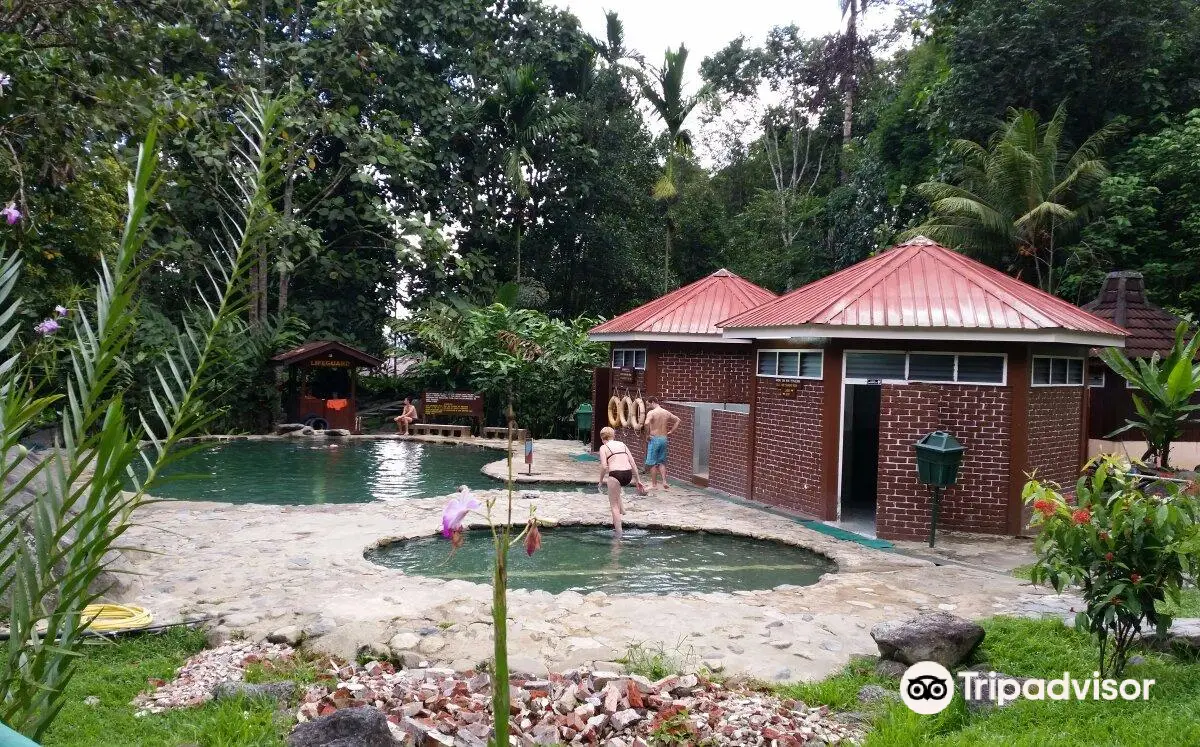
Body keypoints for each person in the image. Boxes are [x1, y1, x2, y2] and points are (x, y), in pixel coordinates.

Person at [598, 426, 643, 536]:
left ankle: (619, 533)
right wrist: (638, 480)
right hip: (628, 475)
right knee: (615, 490)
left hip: (616, 474)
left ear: (602, 438)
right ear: (613, 435)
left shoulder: (604, 448)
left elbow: (604, 466)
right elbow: (632, 463)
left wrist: (600, 481)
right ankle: (623, 510)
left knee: (614, 505)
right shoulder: (622, 444)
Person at [643, 397, 679, 490]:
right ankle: (664, 481)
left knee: (652, 463)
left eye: (648, 404)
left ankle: (654, 485)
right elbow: (678, 420)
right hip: (664, 438)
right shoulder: (666, 412)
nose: (648, 407)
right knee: (662, 462)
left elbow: (646, 423)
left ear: (653, 402)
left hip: (654, 439)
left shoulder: (651, 413)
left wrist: (647, 435)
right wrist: (671, 431)